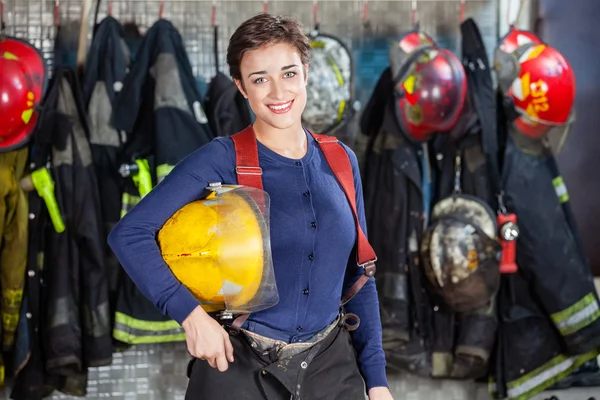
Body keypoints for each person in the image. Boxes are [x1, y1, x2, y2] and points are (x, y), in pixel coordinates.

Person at [108, 13, 393, 400]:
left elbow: (360, 275)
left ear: (306, 72)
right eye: (260, 79)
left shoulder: (341, 160)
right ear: (241, 87)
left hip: (331, 371)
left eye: (289, 73)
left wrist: (377, 383)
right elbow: (130, 234)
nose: (278, 92)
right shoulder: (220, 159)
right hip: (239, 369)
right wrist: (191, 317)